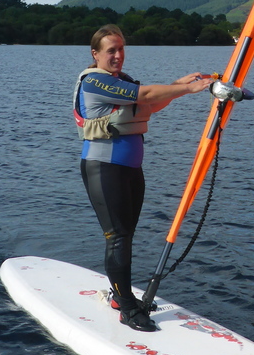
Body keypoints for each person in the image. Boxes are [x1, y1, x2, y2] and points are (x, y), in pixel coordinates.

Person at [74, 25, 212, 332]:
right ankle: (126, 308)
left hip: (131, 169)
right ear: (95, 54)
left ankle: (118, 294)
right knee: (118, 237)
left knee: (127, 235)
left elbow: (149, 104)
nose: (118, 55)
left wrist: (178, 86)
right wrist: (184, 88)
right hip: (103, 168)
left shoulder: (119, 81)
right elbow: (145, 94)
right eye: (111, 50)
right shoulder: (95, 81)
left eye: (121, 49)